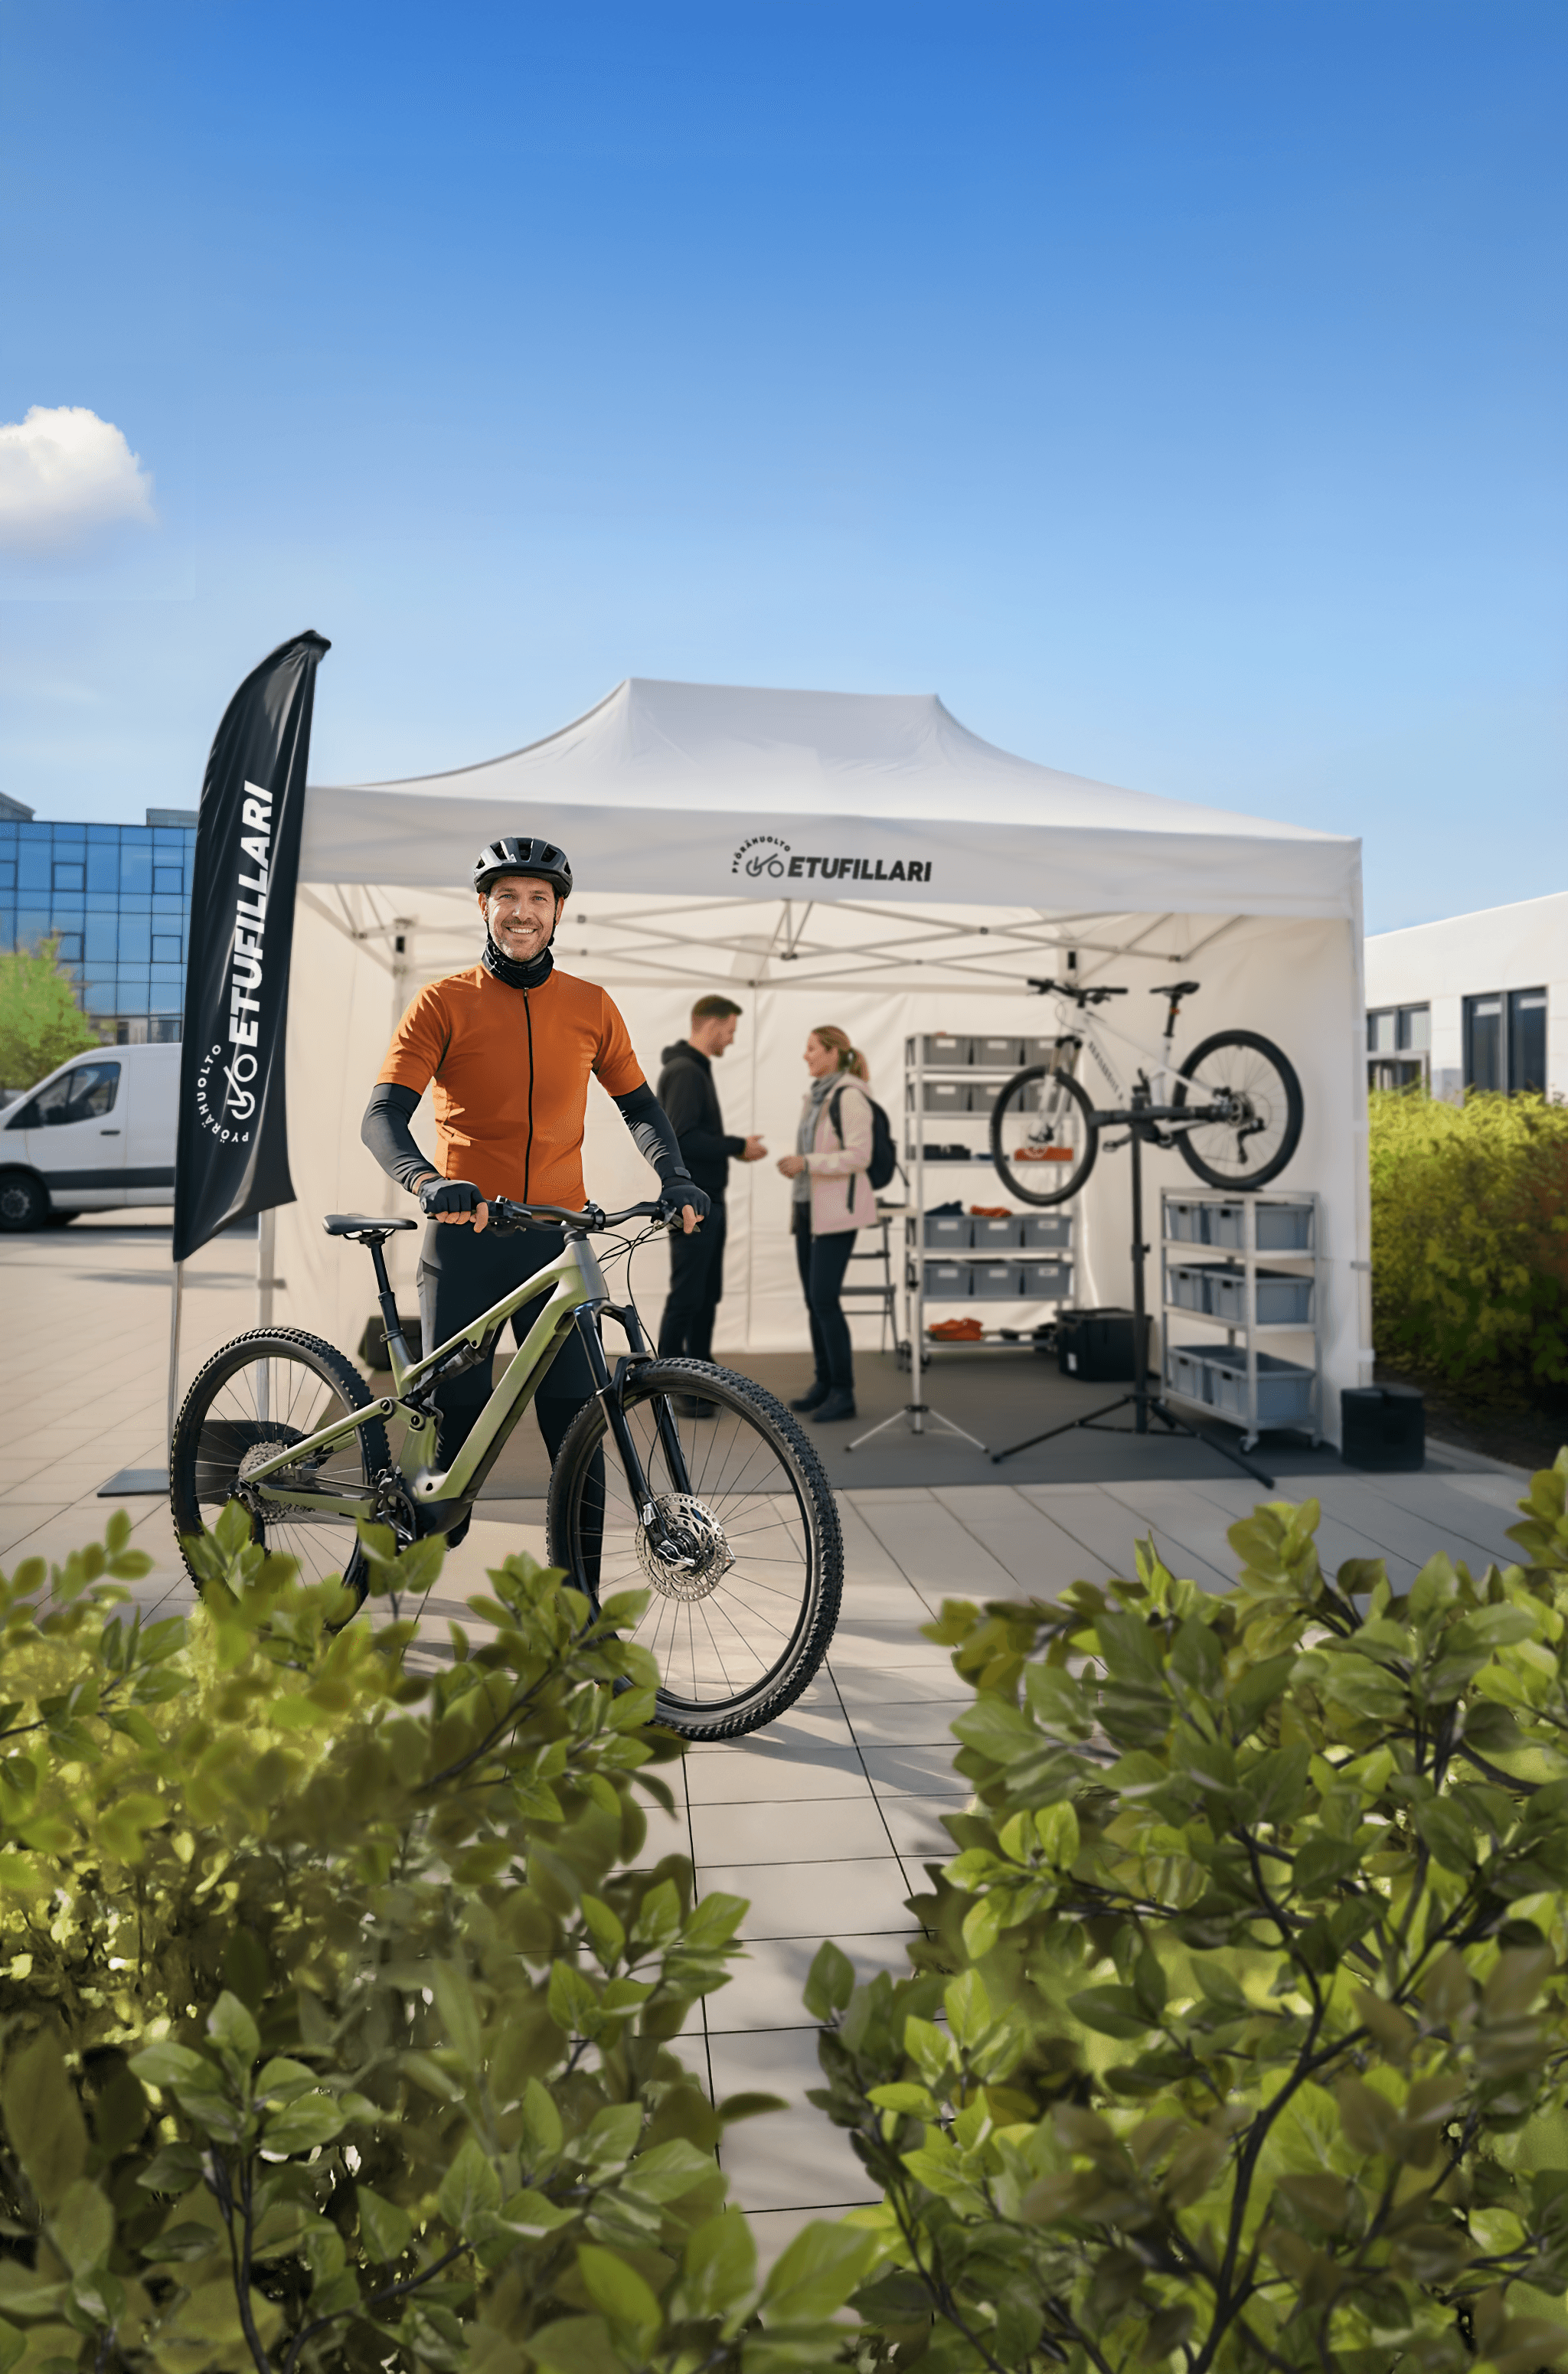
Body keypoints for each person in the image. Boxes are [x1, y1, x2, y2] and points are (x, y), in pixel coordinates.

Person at [359, 836, 708, 1543]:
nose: (524, 912)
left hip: (557, 1241)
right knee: (450, 1470)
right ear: (484, 906)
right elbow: (382, 1117)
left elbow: (640, 1108)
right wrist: (428, 1181)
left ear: (558, 914)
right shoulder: (442, 1002)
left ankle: (583, 1616)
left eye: (539, 900)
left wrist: (675, 1177)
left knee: (579, 1425)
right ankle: (415, 1532)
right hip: (466, 1242)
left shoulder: (590, 1005)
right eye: (509, 897)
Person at [655, 996, 766, 1404]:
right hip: (693, 1205)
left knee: (706, 1291)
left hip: (704, 1202)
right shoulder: (685, 1072)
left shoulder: (693, 1070)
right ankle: (669, 1383)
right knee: (688, 1293)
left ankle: (701, 1372)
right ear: (713, 1025)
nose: (732, 1040)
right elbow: (683, 1138)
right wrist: (738, 1145)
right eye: (731, 1031)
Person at [776, 1025, 873, 1423]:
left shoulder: (850, 1095)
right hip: (807, 1210)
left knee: (825, 1300)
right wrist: (800, 1165)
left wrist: (807, 1163)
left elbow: (859, 1157)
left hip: (836, 1215)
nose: (806, 1055)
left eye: (812, 1048)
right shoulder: (815, 1097)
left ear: (833, 1053)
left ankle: (843, 1392)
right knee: (814, 1301)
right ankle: (823, 1383)